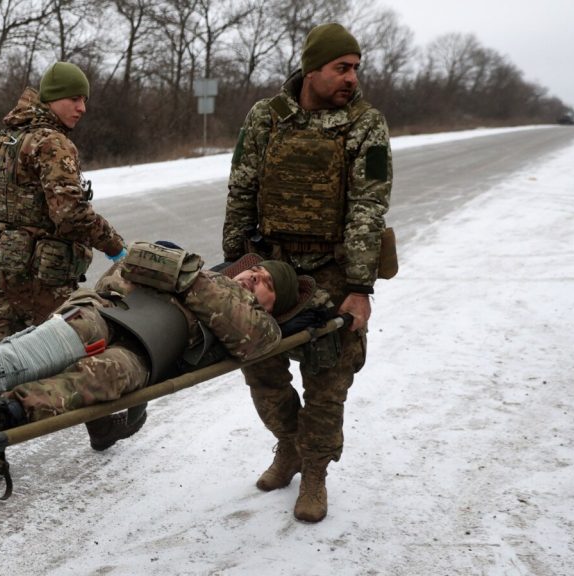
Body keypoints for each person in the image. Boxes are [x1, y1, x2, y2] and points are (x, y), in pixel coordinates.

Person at [0, 242, 333, 448]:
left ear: (272, 305)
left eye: (265, 285)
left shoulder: (264, 328)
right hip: (112, 313)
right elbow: (127, 268)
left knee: (97, 380)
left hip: (148, 355)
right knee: (42, 345)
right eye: (254, 271)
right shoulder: (207, 277)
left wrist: (183, 277)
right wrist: (186, 277)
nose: (252, 278)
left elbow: (245, 333)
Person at [222, 22, 393, 523]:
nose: (352, 78)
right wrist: (235, 260)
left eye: (356, 68)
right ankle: (289, 446)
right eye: (342, 68)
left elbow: (368, 207)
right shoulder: (266, 117)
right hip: (272, 265)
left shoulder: (365, 125)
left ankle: (315, 472)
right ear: (312, 70)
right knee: (259, 364)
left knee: (327, 376)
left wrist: (361, 288)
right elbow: (241, 190)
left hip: (334, 270)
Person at [0, 61, 129, 481]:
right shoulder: (52, 143)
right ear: (52, 97)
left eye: (86, 98)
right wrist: (114, 245)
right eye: (74, 98)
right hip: (44, 274)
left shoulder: (8, 136)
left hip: (2, 265)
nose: (82, 107)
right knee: (77, 345)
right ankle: (104, 425)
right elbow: (70, 213)